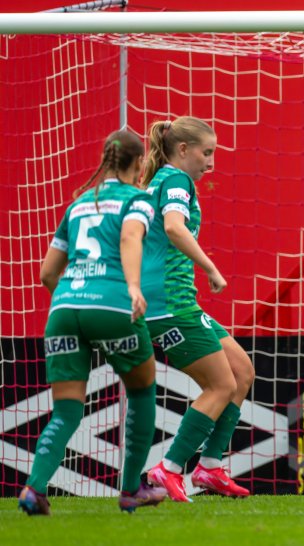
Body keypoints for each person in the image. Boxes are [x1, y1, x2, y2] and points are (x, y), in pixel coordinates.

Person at [19, 130, 167, 515]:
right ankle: (131, 489)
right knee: (142, 391)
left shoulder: (79, 204)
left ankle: (34, 489)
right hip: (114, 305)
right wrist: (131, 287)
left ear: (106, 160)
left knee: (66, 411)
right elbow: (130, 237)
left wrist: (78, 303)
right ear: (140, 163)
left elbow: (47, 273)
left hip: (64, 308)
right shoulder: (137, 199)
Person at [141, 117, 255, 501]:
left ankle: (210, 466)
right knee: (221, 385)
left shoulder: (161, 179)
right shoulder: (176, 179)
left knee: (241, 372)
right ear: (183, 149)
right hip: (170, 305)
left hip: (174, 302)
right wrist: (210, 267)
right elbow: (174, 227)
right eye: (207, 153)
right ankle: (169, 467)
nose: (211, 162)